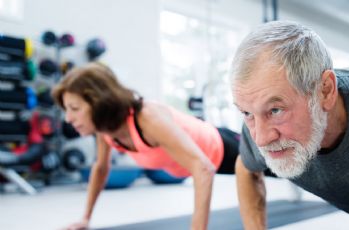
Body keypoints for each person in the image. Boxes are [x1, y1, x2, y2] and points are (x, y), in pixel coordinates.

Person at [230, 20, 349, 229]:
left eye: (275, 110)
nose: (261, 138)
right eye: (247, 113)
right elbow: (246, 168)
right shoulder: (261, 124)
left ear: (325, 90)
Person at [51, 62, 240, 230]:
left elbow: (203, 168)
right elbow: (101, 168)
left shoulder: (147, 118)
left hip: (225, 147)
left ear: (99, 103)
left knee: (266, 169)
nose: (68, 118)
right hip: (203, 162)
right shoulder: (105, 130)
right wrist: (85, 219)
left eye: (74, 109)